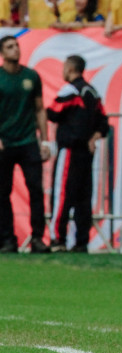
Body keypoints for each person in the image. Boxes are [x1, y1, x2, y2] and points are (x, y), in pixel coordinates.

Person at [47, 54, 108, 253]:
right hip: (87, 153)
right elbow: (104, 123)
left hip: (70, 151)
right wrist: (94, 137)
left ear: (71, 69)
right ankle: (81, 242)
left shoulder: (70, 90)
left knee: (62, 195)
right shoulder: (92, 92)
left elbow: (53, 112)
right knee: (83, 198)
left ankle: (58, 240)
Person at [0, 35, 51, 254]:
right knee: (2, 192)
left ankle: (38, 238)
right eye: (10, 47)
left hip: (29, 140)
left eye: (17, 46)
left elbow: (40, 108)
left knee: (36, 190)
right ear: (2, 53)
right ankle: (7, 239)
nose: (16, 50)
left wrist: (45, 140)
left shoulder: (32, 76)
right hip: (5, 142)